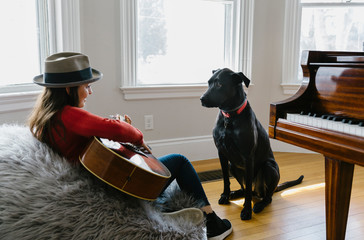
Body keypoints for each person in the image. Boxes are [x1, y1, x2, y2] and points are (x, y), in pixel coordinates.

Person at [28, 52, 232, 240]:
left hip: (92, 179)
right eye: (86, 86)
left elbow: (93, 133)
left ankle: (164, 210)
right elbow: (123, 132)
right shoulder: (69, 114)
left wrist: (112, 126)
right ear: (68, 89)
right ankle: (213, 225)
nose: (89, 92)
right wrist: (137, 138)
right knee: (180, 161)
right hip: (112, 186)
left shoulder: (47, 117)